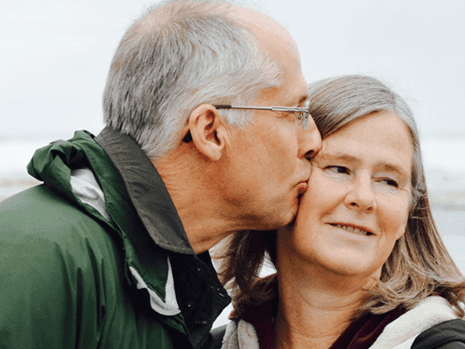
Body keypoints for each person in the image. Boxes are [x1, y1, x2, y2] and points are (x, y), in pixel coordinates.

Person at [0, 1, 322, 348]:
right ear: (211, 131)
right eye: (295, 112)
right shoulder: (35, 257)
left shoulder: (166, 275)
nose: (314, 141)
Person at [218, 75, 465, 349]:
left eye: (388, 181)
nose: (363, 198)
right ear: (282, 181)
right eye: (339, 169)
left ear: (408, 214)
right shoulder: (204, 341)